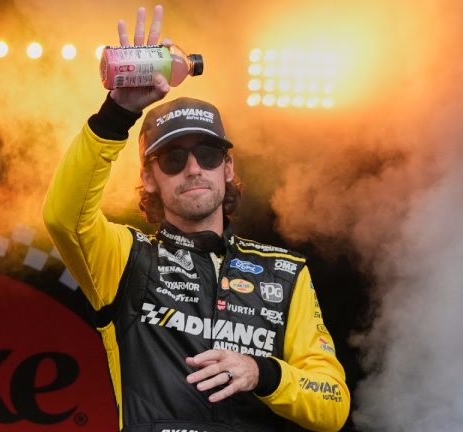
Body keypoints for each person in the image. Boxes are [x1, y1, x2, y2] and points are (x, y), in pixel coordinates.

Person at [43, 5, 350, 431]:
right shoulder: (126, 258)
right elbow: (63, 217)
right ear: (149, 178)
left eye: (207, 155)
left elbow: (332, 405)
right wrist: (117, 114)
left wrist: (262, 373)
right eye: (172, 159)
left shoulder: (285, 273)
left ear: (227, 169)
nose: (192, 169)